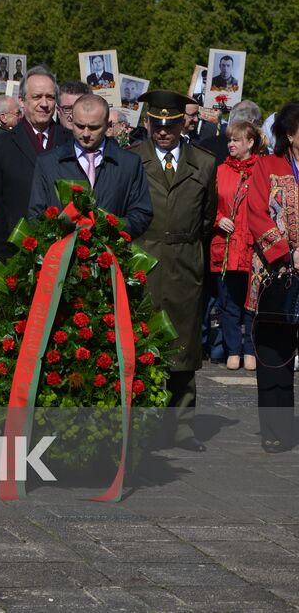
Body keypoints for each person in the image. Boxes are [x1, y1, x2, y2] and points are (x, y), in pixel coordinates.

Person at [130, 89, 217, 451]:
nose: (163, 131)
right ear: (148, 122)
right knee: (142, 342)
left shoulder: (204, 162)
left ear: (184, 123)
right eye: (156, 124)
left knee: (183, 345)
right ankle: (142, 423)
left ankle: (181, 424)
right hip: (143, 257)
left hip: (184, 261)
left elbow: (207, 218)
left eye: (171, 124)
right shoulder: (132, 159)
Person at [242, 101, 299, 452]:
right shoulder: (268, 166)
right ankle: (275, 430)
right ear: (290, 135)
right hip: (277, 273)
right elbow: (257, 214)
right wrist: (288, 252)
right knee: (274, 353)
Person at [28, 92, 152, 238]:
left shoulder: (129, 163)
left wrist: (109, 232)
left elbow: (141, 213)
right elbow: (36, 215)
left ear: (107, 125)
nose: (86, 134)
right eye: (80, 126)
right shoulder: (48, 162)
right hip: (61, 256)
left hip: (112, 256)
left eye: (94, 127)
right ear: (71, 120)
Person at [0, 67, 72, 260]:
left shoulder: (71, 142)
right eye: (37, 97)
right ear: (22, 100)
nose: (44, 104)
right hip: (17, 254)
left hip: (64, 254)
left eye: (50, 97)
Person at [211, 119, 263, 371]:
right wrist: (217, 219)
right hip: (227, 246)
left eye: (236, 140)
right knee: (228, 301)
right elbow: (206, 204)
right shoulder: (219, 171)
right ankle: (233, 349)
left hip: (254, 248)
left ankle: (250, 350)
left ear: (250, 142)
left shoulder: (262, 171)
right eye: (229, 139)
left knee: (253, 302)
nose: (230, 144)